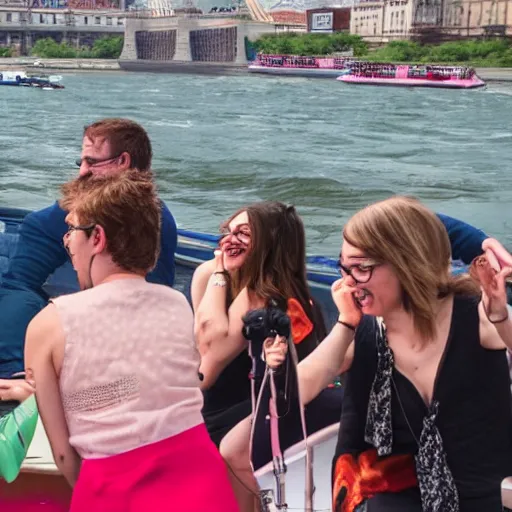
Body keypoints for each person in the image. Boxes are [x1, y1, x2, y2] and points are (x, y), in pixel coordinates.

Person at [266, 196, 512, 512]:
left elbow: (415, 226)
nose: (349, 282)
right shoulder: (364, 332)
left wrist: (500, 317)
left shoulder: (477, 316)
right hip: (389, 491)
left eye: (361, 268)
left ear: (408, 263)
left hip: (477, 497)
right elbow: (288, 396)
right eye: (345, 267)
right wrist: (345, 324)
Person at [24, 171, 238, 512]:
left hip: (115, 488)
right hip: (202, 477)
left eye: (72, 230)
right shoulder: (175, 303)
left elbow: (64, 453)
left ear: (97, 238)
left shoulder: (49, 324)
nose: (66, 241)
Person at [0, 118, 178, 404]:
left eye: (92, 162)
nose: (82, 171)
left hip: (106, 370)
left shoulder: (64, 317)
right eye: (81, 162)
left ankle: (14, 373)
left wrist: (35, 391)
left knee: (18, 290)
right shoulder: (176, 307)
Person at [191, 201, 338, 510]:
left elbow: (209, 356)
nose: (229, 241)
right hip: (232, 406)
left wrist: (218, 271)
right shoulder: (216, 275)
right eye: (227, 232)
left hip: (265, 410)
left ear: (268, 245)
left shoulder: (264, 294)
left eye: (243, 234)